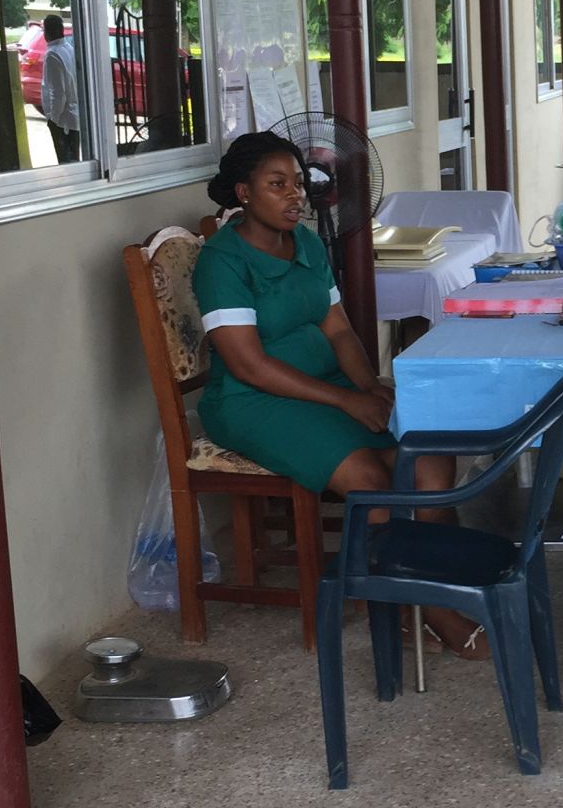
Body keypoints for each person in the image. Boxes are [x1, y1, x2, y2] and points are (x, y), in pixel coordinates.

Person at [192, 133, 483, 654]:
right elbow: (249, 365)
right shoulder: (222, 261)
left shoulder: (304, 243)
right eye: (277, 184)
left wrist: (370, 388)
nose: (295, 195)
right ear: (243, 193)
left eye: (298, 182)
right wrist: (349, 401)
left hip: (329, 388)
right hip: (252, 402)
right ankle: (425, 610)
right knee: (370, 480)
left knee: (431, 458)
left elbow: (340, 330)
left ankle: (432, 587)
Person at [40, 13, 80, 165]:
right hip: (73, 117)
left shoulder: (52, 55)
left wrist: (53, 119)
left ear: (47, 32)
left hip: (63, 121)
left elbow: (58, 93)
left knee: (66, 162)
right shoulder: (69, 48)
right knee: (74, 161)